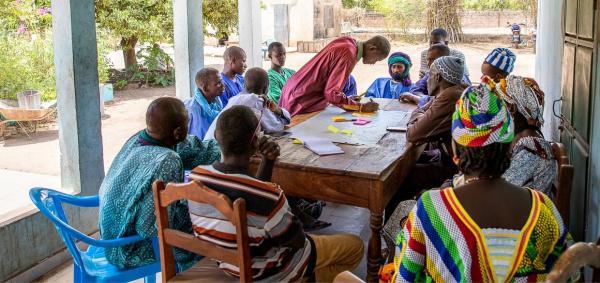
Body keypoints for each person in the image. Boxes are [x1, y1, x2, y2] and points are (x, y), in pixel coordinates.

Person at [391, 79, 568, 282]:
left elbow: (404, 278)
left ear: (456, 151)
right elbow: (569, 273)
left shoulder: (429, 209)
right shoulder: (544, 209)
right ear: (508, 148)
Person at [188, 105, 364, 282]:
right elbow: (297, 241)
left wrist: (268, 161)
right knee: (355, 246)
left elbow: (252, 193)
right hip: (270, 272)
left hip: (229, 265)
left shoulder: (196, 178)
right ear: (255, 141)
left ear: (217, 137)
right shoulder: (269, 196)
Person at [99, 97, 221, 271]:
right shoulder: (168, 161)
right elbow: (151, 228)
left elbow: (191, 147)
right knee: (208, 233)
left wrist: (225, 143)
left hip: (109, 236)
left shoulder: (140, 138)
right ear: (178, 132)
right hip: (128, 248)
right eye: (188, 123)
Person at [385, 56, 466, 221]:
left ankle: (394, 233)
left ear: (438, 77)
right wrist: (424, 111)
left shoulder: (450, 98)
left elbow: (414, 134)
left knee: (398, 180)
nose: (426, 80)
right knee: (410, 163)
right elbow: (427, 111)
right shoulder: (455, 91)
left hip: (456, 169)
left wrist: (419, 113)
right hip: (453, 160)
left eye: (429, 76)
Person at [453, 75, 557, 195]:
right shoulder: (521, 138)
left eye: (498, 105)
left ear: (511, 108)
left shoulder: (531, 148)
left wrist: (456, 183)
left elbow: (493, 190)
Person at [279, 35, 390, 116]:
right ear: (372, 48)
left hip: (293, 88)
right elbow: (331, 93)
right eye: (377, 59)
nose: (374, 63)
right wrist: (360, 107)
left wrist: (348, 101)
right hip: (300, 97)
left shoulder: (348, 41)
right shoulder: (349, 55)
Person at [203, 67, 290, 140]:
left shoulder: (235, 99)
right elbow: (276, 127)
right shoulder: (257, 100)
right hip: (220, 152)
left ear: (244, 85)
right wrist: (278, 111)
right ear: (266, 88)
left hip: (209, 146)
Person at [267, 42, 358, 102]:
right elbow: (280, 101)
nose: (282, 57)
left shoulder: (289, 72)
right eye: (278, 55)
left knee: (349, 79)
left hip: (304, 100)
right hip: (294, 107)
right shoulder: (270, 77)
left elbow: (306, 82)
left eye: (284, 54)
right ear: (270, 56)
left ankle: (348, 100)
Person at [401, 44, 471, 106]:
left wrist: (420, 99)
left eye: (433, 59)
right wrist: (427, 99)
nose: (428, 63)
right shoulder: (431, 74)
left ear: (445, 59)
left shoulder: (459, 78)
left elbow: (443, 101)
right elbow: (414, 89)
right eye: (427, 60)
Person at [184, 67, 224, 140]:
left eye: (222, 82)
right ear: (205, 88)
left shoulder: (217, 102)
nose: (223, 85)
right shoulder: (191, 109)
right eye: (218, 83)